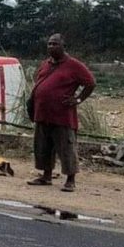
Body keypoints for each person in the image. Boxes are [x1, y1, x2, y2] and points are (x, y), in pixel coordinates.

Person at [27, 34, 95, 192]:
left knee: (66, 148)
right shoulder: (45, 64)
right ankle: (46, 176)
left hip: (62, 115)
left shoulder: (74, 65)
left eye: (55, 44)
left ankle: (70, 180)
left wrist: (77, 99)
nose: (51, 46)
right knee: (43, 147)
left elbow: (90, 83)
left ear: (64, 46)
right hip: (43, 114)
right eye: (49, 44)